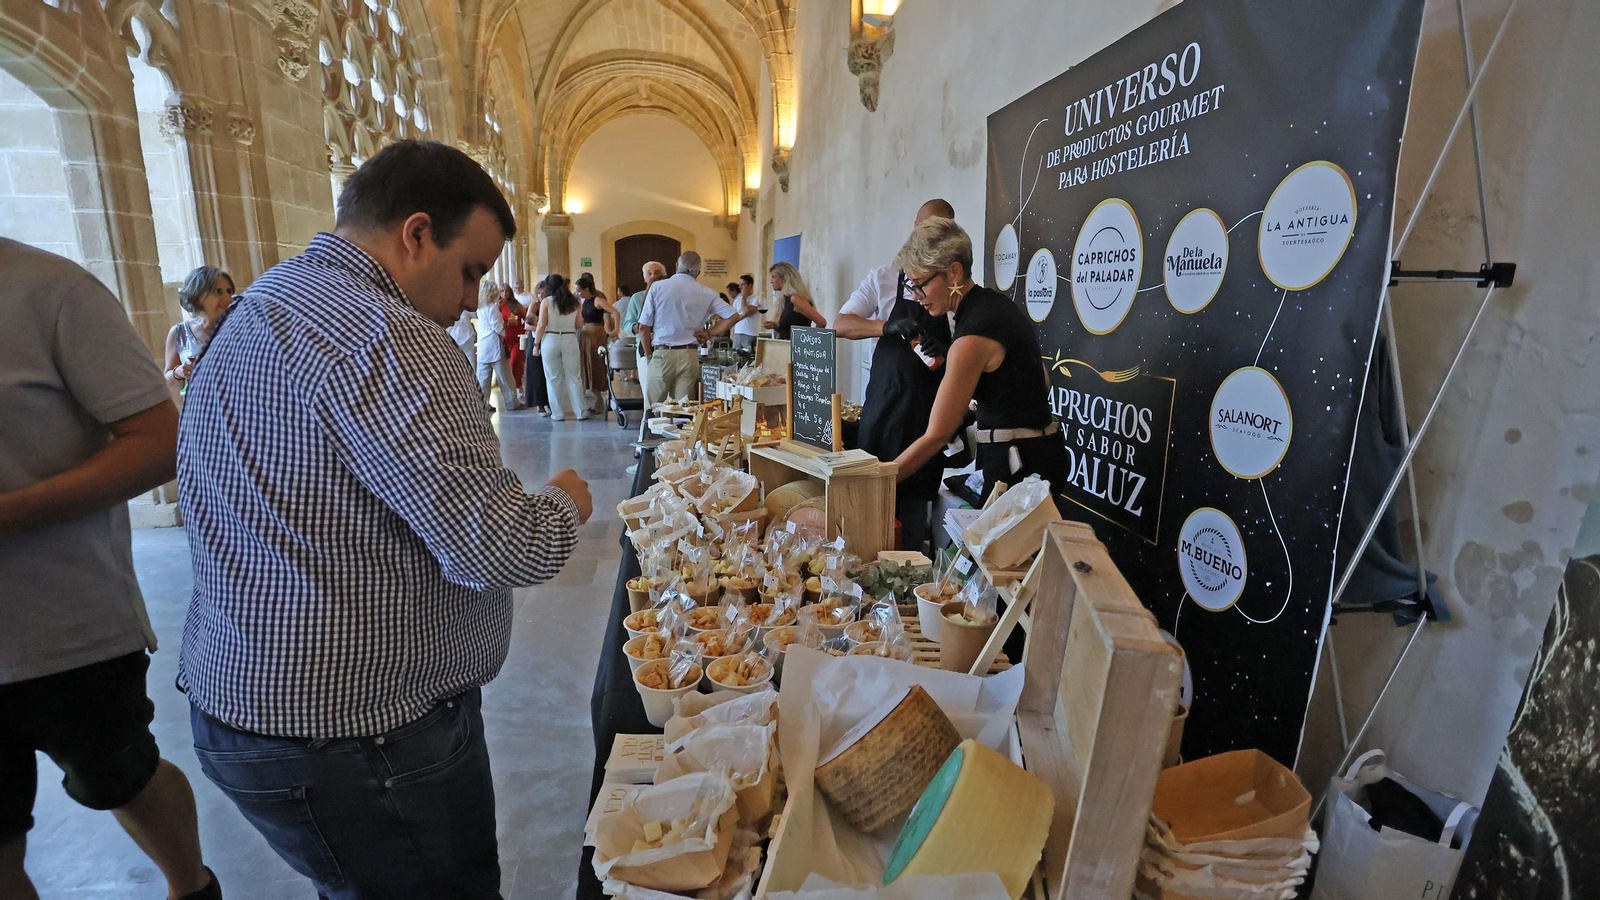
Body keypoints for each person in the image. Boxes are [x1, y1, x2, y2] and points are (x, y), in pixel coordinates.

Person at [176, 139, 593, 899]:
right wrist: (567, 497)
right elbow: (501, 547)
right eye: (470, 271)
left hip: (244, 705)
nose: (472, 301)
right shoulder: (388, 335)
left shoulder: (256, 307)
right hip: (362, 737)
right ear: (416, 233)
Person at [0, 238, 219, 900]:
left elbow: (160, 443)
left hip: (64, 629)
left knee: (122, 779)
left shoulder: (49, 291)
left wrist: (9, 515)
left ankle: (192, 886)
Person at [889, 217, 1069, 507]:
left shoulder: (972, 334)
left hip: (1020, 463)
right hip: (1037, 454)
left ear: (954, 272)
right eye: (910, 286)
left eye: (920, 285)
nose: (915, 298)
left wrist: (880, 480)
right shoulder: (992, 306)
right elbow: (1040, 379)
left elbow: (937, 435)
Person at [832, 198, 956, 552]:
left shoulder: (954, 289)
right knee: (869, 512)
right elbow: (841, 324)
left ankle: (909, 579)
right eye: (927, 230)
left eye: (942, 232)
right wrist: (885, 326)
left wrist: (946, 354)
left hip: (926, 420)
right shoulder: (884, 278)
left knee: (912, 521)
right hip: (883, 412)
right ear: (914, 228)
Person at [637, 251, 737, 404]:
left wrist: (650, 356)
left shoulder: (657, 287)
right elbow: (734, 316)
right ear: (698, 272)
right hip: (689, 355)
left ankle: (649, 428)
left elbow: (643, 327)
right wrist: (709, 332)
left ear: (677, 266)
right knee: (682, 411)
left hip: (663, 353)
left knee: (653, 409)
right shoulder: (707, 293)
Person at [163, 265, 234, 393]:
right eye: (218, 291)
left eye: (229, 291)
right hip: (199, 407)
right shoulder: (179, 332)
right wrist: (179, 372)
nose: (228, 298)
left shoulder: (239, 328)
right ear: (198, 295)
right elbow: (167, 383)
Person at [534, 273, 588, 421]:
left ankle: (558, 413)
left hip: (550, 339)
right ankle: (581, 412)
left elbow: (541, 324)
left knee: (553, 378)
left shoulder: (546, 302)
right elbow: (579, 324)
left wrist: (536, 344)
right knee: (574, 377)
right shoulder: (574, 302)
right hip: (569, 338)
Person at [621, 261, 668, 401]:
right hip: (645, 345)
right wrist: (641, 327)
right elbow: (628, 323)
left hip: (667, 346)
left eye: (657, 273)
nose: (653, 276)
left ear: (665, 276)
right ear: (644, 278)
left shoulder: (671, 296)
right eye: (649, 273)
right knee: (649, 388)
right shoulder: (637, 298)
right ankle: (649, 419)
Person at [475, 280, 522, 411]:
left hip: (483, 345)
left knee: (483, 377)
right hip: (494, 344)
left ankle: (482, 404)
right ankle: (512, 402)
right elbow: (498, 328)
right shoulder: (492, 308)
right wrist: (508, 324)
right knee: (505, 376)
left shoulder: (480, 307)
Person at [574, 272, 615, 415]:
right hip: (586, 335)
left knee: (595, 365)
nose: (577, 293)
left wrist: (613, 330)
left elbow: (611, 313)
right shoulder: (585, 301)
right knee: (586, 365)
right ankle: (594, 398)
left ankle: (598, 399)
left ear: (586, 289)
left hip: (596, 335)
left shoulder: (598, 299)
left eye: (579, 290)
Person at [767, 262, 825, 339]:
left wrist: (811, 340)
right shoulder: (784, 299)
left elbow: (821, 322)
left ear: (784, 278)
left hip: (796, 348)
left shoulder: (795, 299)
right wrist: (775, 325)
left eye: (773, 277)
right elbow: (789, 327)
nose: (771, 281)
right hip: (785, 346)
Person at [523, 280, 551, 414]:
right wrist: (541, 328)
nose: (541, 296)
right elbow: (527, 325)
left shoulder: (551, 304)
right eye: (539, 294)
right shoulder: (535, 305)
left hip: (547, 339)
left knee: (548, 371)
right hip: (534, 338)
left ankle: (550, 402)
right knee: (535, 371)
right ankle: (539, 404)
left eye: (543, 293)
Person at [499, 284, 526, 391]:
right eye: (502, 291)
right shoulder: (498, 307)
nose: (504, 293)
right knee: (507, 366)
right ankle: (512, 389)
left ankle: (518, 386)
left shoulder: (516, 305)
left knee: (515, 362)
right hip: (505, 340)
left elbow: (526, 317)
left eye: (506, 291)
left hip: (517, 338)